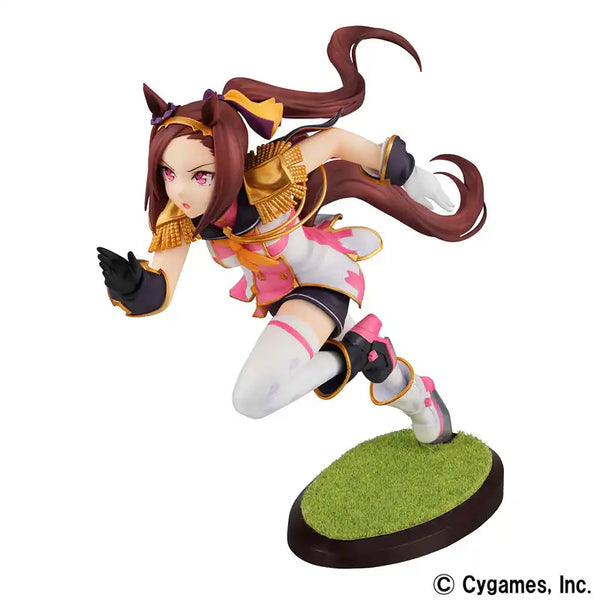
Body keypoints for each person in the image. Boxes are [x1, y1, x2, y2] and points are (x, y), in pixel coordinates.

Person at [98, 26, 485, 444]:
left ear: (228, 160)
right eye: (168, 173)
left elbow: (333, 142)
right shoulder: (180, 216)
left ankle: (354, 352)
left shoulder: (268, 176)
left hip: (323, 281)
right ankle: (411, 392)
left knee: (252, 398)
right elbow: (162, 286)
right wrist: (133, 285)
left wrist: (408, 173)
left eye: (201, 175)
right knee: (369, 360)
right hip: (284, 300)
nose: (180, 191)